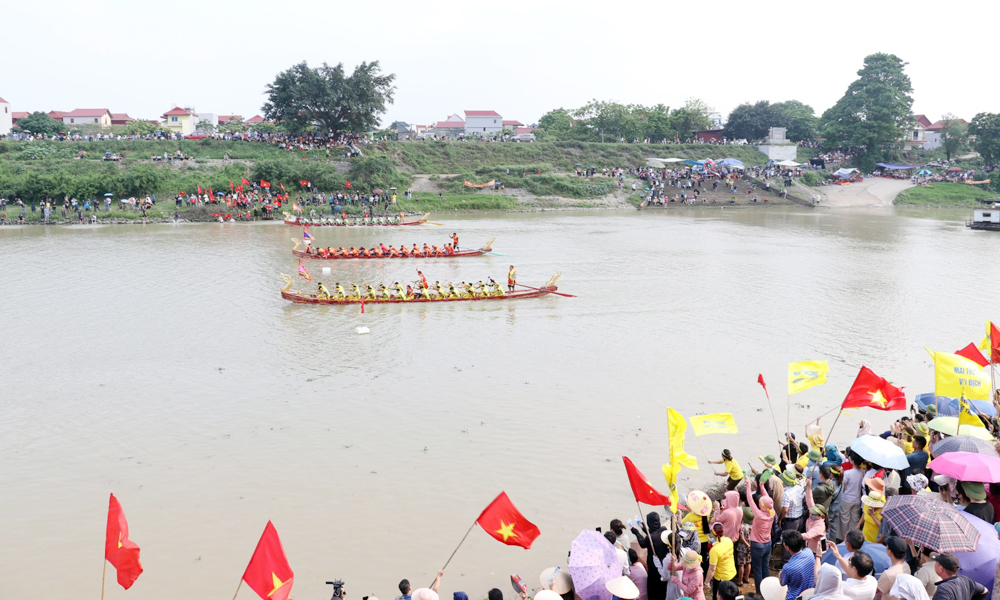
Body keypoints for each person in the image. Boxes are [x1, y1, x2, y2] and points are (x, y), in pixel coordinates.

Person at [746, 476, 775, 595]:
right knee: (765, 567)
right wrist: (762, 486)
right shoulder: (772, 512)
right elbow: (767, 499)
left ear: (761, 505)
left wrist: (748, 485)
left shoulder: (759, 514)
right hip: (768, 544)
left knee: (757, 570)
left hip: (757, 545)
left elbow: (749, 499)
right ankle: (767, 591)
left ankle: (759, 592)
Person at [631, 512, 668, 600]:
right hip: (664, 563)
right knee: (663, 587)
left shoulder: (651, 538)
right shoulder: (664, 530)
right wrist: (644, 529)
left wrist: (637, 533)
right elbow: (654, 532)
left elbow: (643, 543)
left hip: (654, 566)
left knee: (652, 589)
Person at [780, 530, 816, 600]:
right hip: (810, 595)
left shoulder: (788, 568)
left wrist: (780, 574)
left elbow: (782, 583)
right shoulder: (809, 552)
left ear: (787, 547)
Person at [706, 522, 737, 600]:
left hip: (721, 579)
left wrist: (706, 582)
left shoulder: (714, 550)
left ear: (713, 534)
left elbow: (712, 569)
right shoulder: (729, 540)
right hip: (732, 573)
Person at [779, 467, 806, 534]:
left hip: (791, 521)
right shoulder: (799, 488)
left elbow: (785, 510)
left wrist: (780, 519)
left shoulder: (786, 494)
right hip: (800, 518)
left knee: (789, 541)